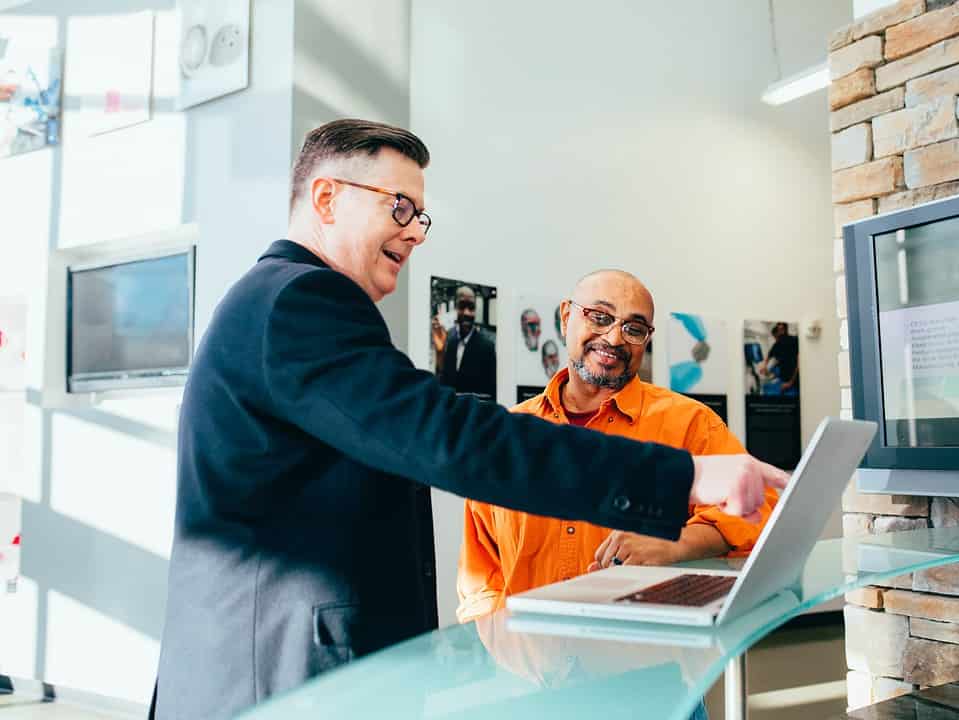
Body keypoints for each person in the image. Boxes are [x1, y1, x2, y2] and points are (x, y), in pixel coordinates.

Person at [154, 119, 788, 719]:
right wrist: (682, 478)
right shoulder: (302, 300)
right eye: (398, 206)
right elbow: (450, 437)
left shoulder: (278, 301)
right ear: (325, 199)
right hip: (282, 675)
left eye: (420, 215)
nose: (415, 232)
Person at [457, 271, 778, 622]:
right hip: (530, 663)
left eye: (634, 328)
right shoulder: (509, 435)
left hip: (645, 659)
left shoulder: (690, 423)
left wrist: (675, 543)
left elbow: (761, 511)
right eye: (600, 317)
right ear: (566, 317)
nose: (614, 338)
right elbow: (481, 577)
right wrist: (499, 651)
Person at [432, 285, 497, 399]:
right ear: (455, 308)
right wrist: (440, 353)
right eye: (462, 306)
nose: (466, 313)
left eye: (471, 308)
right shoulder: (449, 340)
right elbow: (443, 384)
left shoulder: (487, 347)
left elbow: (491, 394)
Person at [760, 322, 799, 396]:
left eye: (781, 329)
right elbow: (769, 354)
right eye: (778, 330)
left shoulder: (794, 341)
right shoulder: (778, 344)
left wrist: (790, 383)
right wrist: (764, 365)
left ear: (785, 330)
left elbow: (798, 364)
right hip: (783, 380)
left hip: (793, 382)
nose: (780, 332)